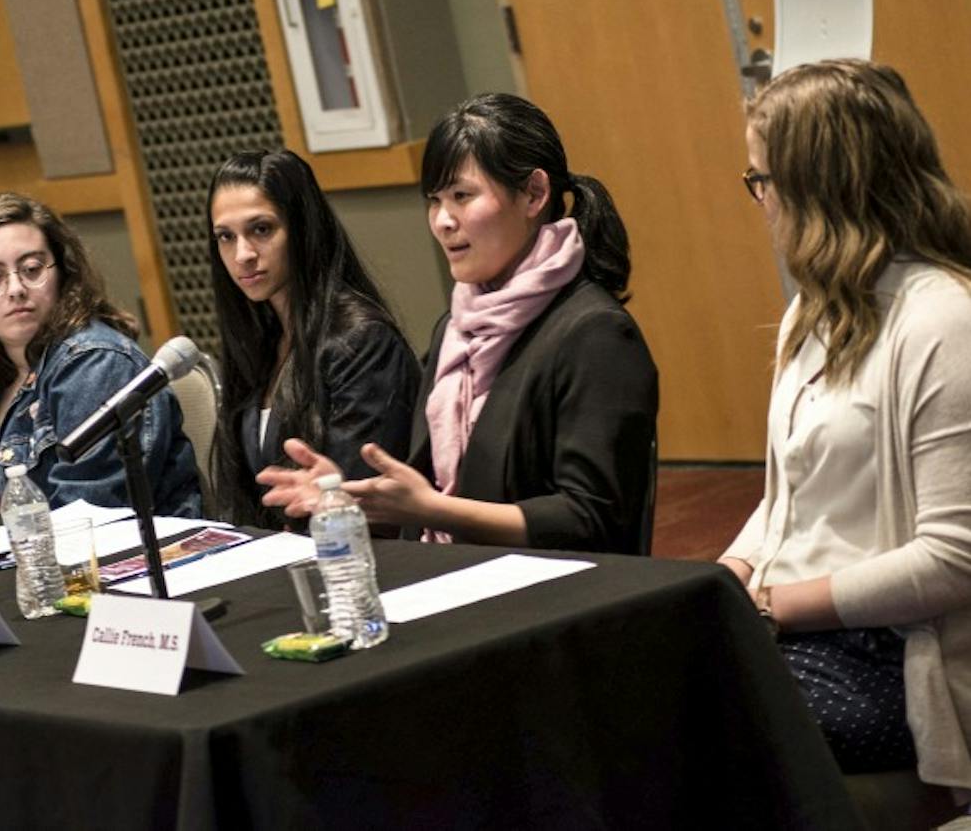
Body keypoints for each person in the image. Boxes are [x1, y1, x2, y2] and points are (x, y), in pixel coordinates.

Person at [718, 60, 971, 787]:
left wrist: (768, 608)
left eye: (760, 180)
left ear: (818, 188)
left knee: (692, 725)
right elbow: (790, 494)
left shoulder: (941, 319)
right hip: (802, 628)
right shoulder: (812, 310)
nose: (759, 200)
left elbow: (954, 557)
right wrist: (728, 579)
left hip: (894, 655)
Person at [260, 93, 658, 552]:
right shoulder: (457, 326)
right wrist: (348, 494)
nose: (443, 221)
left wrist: (432, 509)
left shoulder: (597, 334)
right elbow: (424, 485)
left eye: (462, 197)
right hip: (459, 574)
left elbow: (592, 519)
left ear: (534, 193)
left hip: (557, 595)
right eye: (435, 200)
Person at [0, 193, 201, 517]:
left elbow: (86, 519)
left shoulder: (96, 362)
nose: (16, 288)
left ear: (62, 273)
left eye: (32, 269)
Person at [208, 149, 418, 527]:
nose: (243, 254)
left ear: (302, 228)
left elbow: (365, 500)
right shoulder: (257, 342)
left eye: (261, 229)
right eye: (225, 237)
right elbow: (239, 500)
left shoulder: (361, 341)